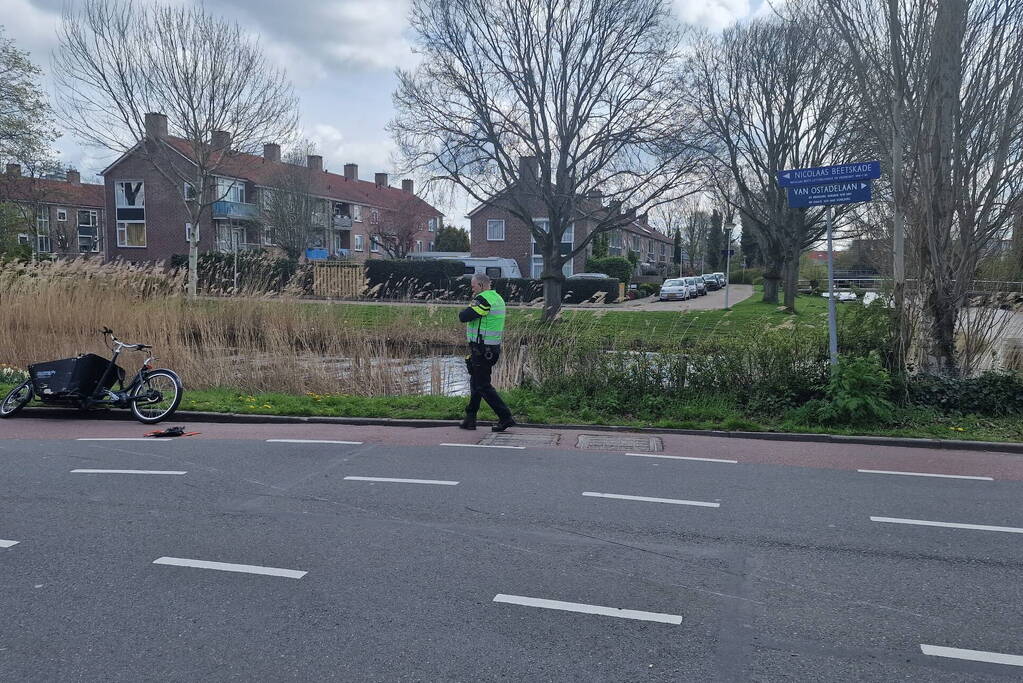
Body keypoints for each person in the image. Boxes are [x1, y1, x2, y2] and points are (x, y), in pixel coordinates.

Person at [458, 273, 516, 432]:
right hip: (489, 349)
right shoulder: (497, 297)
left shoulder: (483, 299)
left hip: (482, 350)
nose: (472, 288)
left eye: (473, 285)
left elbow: (464, 316)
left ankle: (506, 417)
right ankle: (470, 419)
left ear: (481, 285)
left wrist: (469, 307)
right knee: (475, 383)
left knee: (483, 386)